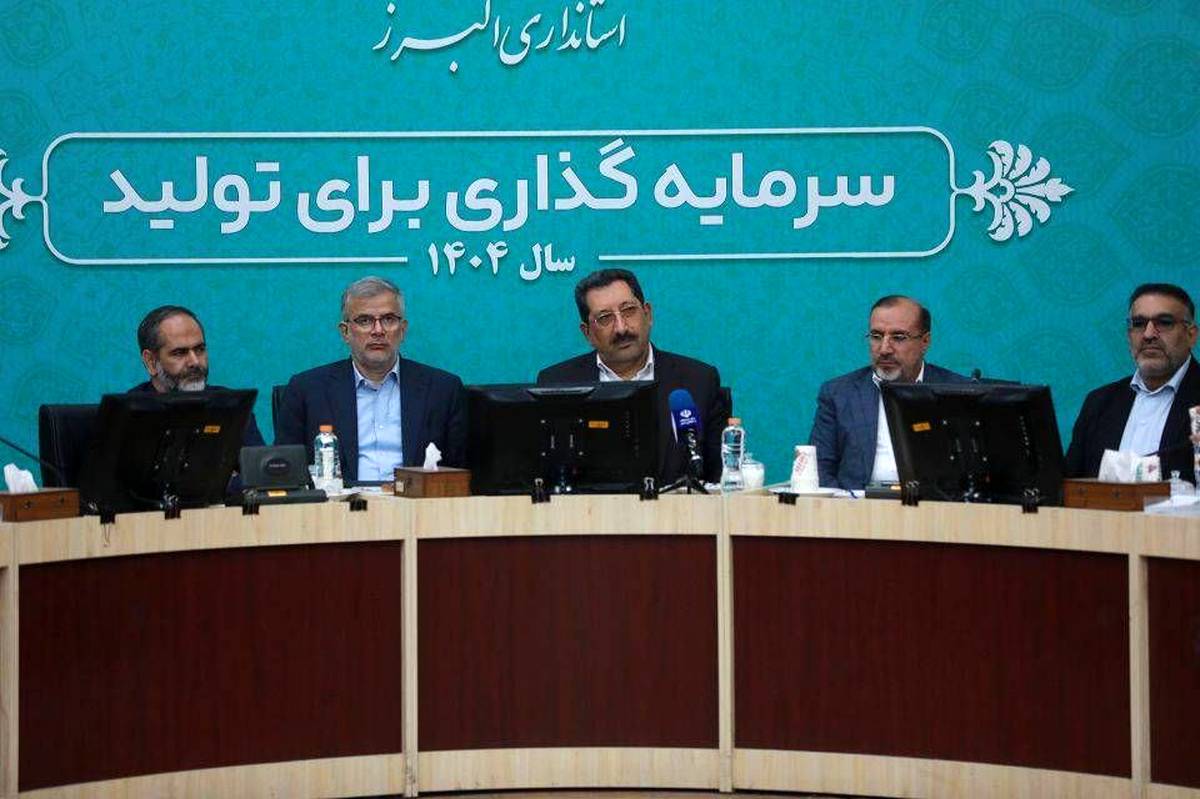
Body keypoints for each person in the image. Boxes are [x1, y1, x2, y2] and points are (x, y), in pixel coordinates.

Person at [537, 268, 729, 485]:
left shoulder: (698, 381)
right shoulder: (557, 384)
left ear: (648, 314)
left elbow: (721, 480)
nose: (621, 328)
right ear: (587, 333)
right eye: (605, 318)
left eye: (628, 310)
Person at [275, 276, 466, 481]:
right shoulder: (308, 390)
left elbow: (461, 474)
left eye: (388, 319)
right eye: (364, 321)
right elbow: (286, 473)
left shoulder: (442, 390)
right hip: (340, 500)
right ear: (345, 332)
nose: (378, 331)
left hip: (415, 500)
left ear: (402, 330)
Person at [809, 295, 965, 490]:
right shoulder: (839, 394)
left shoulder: (958, 392)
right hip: (858, 505)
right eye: (876, 336)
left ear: (925, 341)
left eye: (898, 337)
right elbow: (818, 471)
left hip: (935, 506)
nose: (884, 349)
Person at [1064, 283, 1200, 483]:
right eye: (1138, 323)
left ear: (1191, 335)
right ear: (1129, 335)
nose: (1148, 334)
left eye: (1164, 322)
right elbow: (1067, 486)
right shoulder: (1099, 403)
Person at [131, 305, 264, 447]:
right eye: (179, 353)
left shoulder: (231, 407)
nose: (194, 362)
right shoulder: (129, 416)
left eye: (200, 350)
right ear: (151, 362)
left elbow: (257, 461)